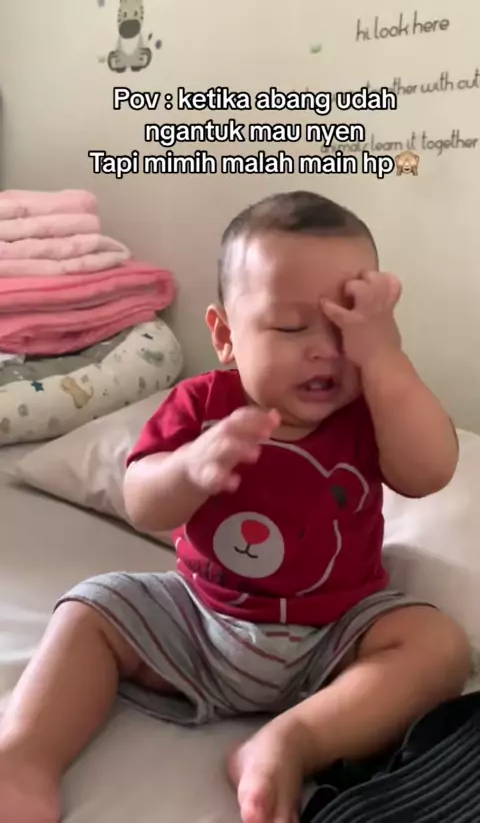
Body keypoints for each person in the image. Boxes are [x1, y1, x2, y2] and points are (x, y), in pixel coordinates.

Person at [0, 191, 470, 823]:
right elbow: (142, 504)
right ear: (225, 335)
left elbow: (430, 471)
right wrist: (189, 467)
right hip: (200, 620)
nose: (326, 349)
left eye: (347, 327)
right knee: (91, 608)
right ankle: (24, 758)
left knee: (438, 645)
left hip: (333, 637)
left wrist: (385, 358)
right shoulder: (200, 406)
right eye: (292, 327)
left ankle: (291, 741)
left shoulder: (373, 412)